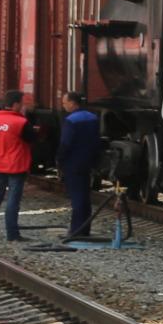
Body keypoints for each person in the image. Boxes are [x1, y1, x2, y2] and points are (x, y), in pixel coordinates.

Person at [0, 92, 33, 242]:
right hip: (16, 165)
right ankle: (12, 234)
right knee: (13, 200)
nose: (23, 106)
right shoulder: (21, 122)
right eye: (22, 104)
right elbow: (32, 139)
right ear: (15, 104)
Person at [57, 100, 103, 242]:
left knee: (76, 197)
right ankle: (85, 229)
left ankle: (76, 230)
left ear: (73, 103)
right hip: (88, 161)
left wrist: (59, 160)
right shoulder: (93, 117)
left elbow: (66, 143)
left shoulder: (71, 120)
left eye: (65, 102)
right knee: (85, 196)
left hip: (73, 162)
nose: (63, 105)